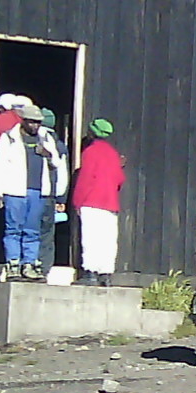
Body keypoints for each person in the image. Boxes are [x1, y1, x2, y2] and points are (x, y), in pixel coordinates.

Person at [0, 100, 66, 280]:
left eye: (38, 122)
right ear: (23, 121)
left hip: (38, 191)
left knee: (33, 230)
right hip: (15, 191)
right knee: (13, 229)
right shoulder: (9, 137)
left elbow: (57, 162)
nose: (35, 125)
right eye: (32, 121)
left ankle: (29, 264)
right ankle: (13, 264)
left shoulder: (46, 137)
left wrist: (47, 153)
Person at [69, 117, 124, 285]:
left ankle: (90, 273)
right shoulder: (113, 154)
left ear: (92, 133)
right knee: (107, 240)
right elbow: (120, 178)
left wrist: (77, 201)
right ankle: (105, 274)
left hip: (92, 201)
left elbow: (86, 179)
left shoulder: (90, 152)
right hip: (111, 203)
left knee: (91, 238)